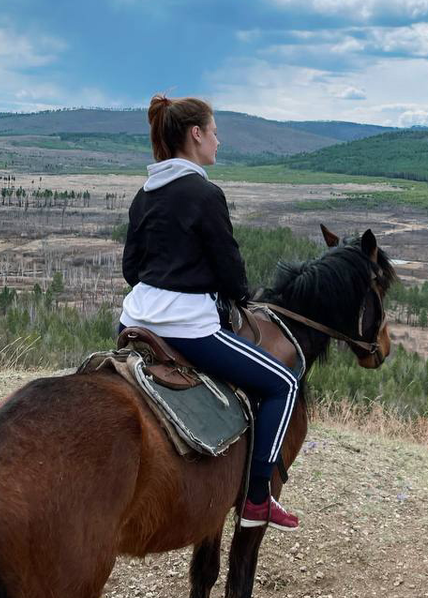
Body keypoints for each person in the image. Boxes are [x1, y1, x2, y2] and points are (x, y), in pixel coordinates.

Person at [120, 94, 299, 531]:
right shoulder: (204, 193)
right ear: (196, 135)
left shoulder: (145, 194)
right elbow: (231, 272)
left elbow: (130, 269)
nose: (219, 141)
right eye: (215, 132)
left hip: (134, 322)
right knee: (283, 384)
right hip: (187, 329)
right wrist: (240, 293)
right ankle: (258, 497)